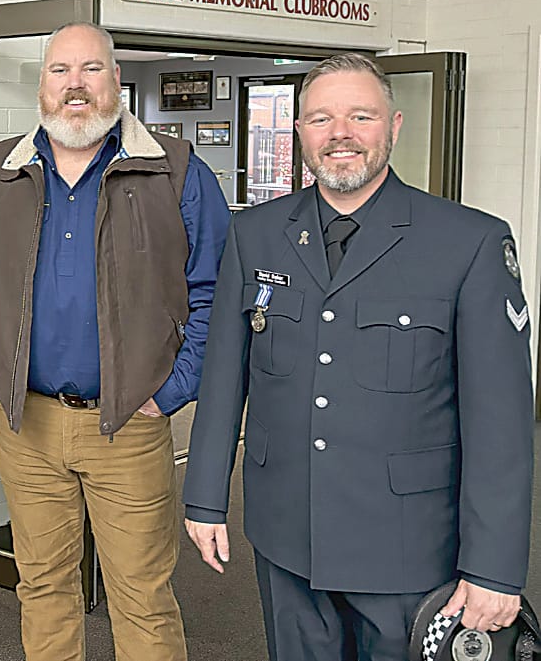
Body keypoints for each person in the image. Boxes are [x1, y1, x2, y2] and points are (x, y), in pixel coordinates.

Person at [183, 53, 534, 661]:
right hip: (286, 529)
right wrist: (205, 495)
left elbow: (501, 424)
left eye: (360, 116)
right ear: (299, 134)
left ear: (394, 127)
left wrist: (496, 570)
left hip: (406, 543)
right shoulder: (256, 233)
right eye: (320, 119)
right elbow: (224, 376)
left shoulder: (468, 241)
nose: (339, 133)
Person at [0, 22, 231, 661]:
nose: (76, 85)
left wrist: (173, 389)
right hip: (26, 425)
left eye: (91, 70)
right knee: (42, 586)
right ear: (42, 85)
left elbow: (214, 292)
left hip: (129, 424)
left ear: (116, 82)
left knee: (142, 598)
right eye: (61, 71)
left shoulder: (175, 170)